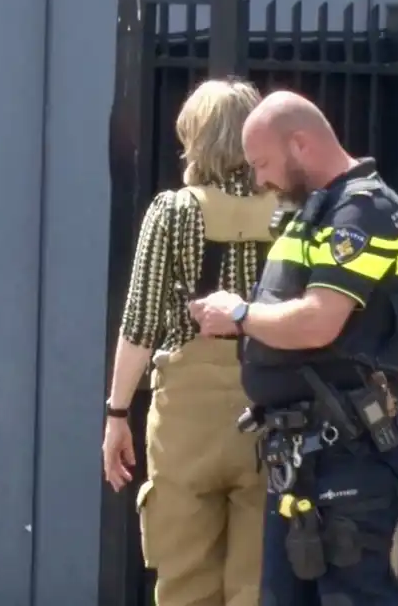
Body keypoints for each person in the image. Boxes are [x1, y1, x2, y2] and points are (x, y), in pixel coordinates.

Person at [189, 90, 398, 606]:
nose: (259, 181)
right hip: (300, 460)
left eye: (263, 164)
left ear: (300, 144)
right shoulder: (314, 213)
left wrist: (242, 315)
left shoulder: (363, 212)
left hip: (350, 457)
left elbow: (319, 323)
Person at [102, 78, 275, 606]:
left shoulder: (173, 212)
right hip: (270, 407)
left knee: (184, 582)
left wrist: (116, 414)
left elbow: (139, 325)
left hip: (186, 419)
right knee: (257, 581)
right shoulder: (289, 213)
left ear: (195, 140)